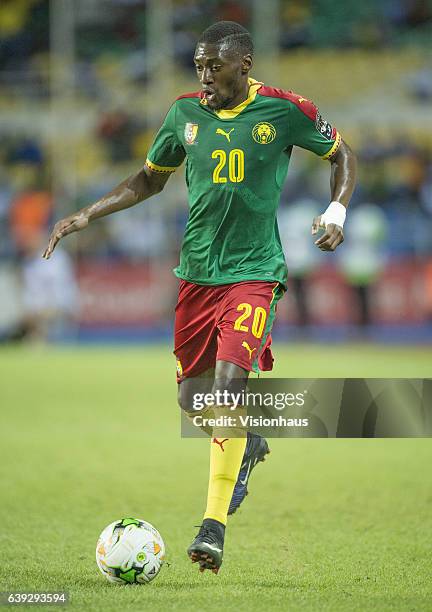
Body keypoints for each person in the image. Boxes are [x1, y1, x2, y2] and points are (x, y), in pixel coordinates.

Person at [43, 21, 357, 574]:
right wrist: (87, 213)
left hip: (254, 271)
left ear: (246, 64)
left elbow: (341, 153)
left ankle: (213, 528)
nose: (205, 75)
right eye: (199, 66)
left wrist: (336, 210)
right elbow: (148, 179)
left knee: (230, 385)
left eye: (215, 66)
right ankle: (251, 441)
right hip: (196, 273)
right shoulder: (183, 114)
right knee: (195, 402)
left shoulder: (287, 111)